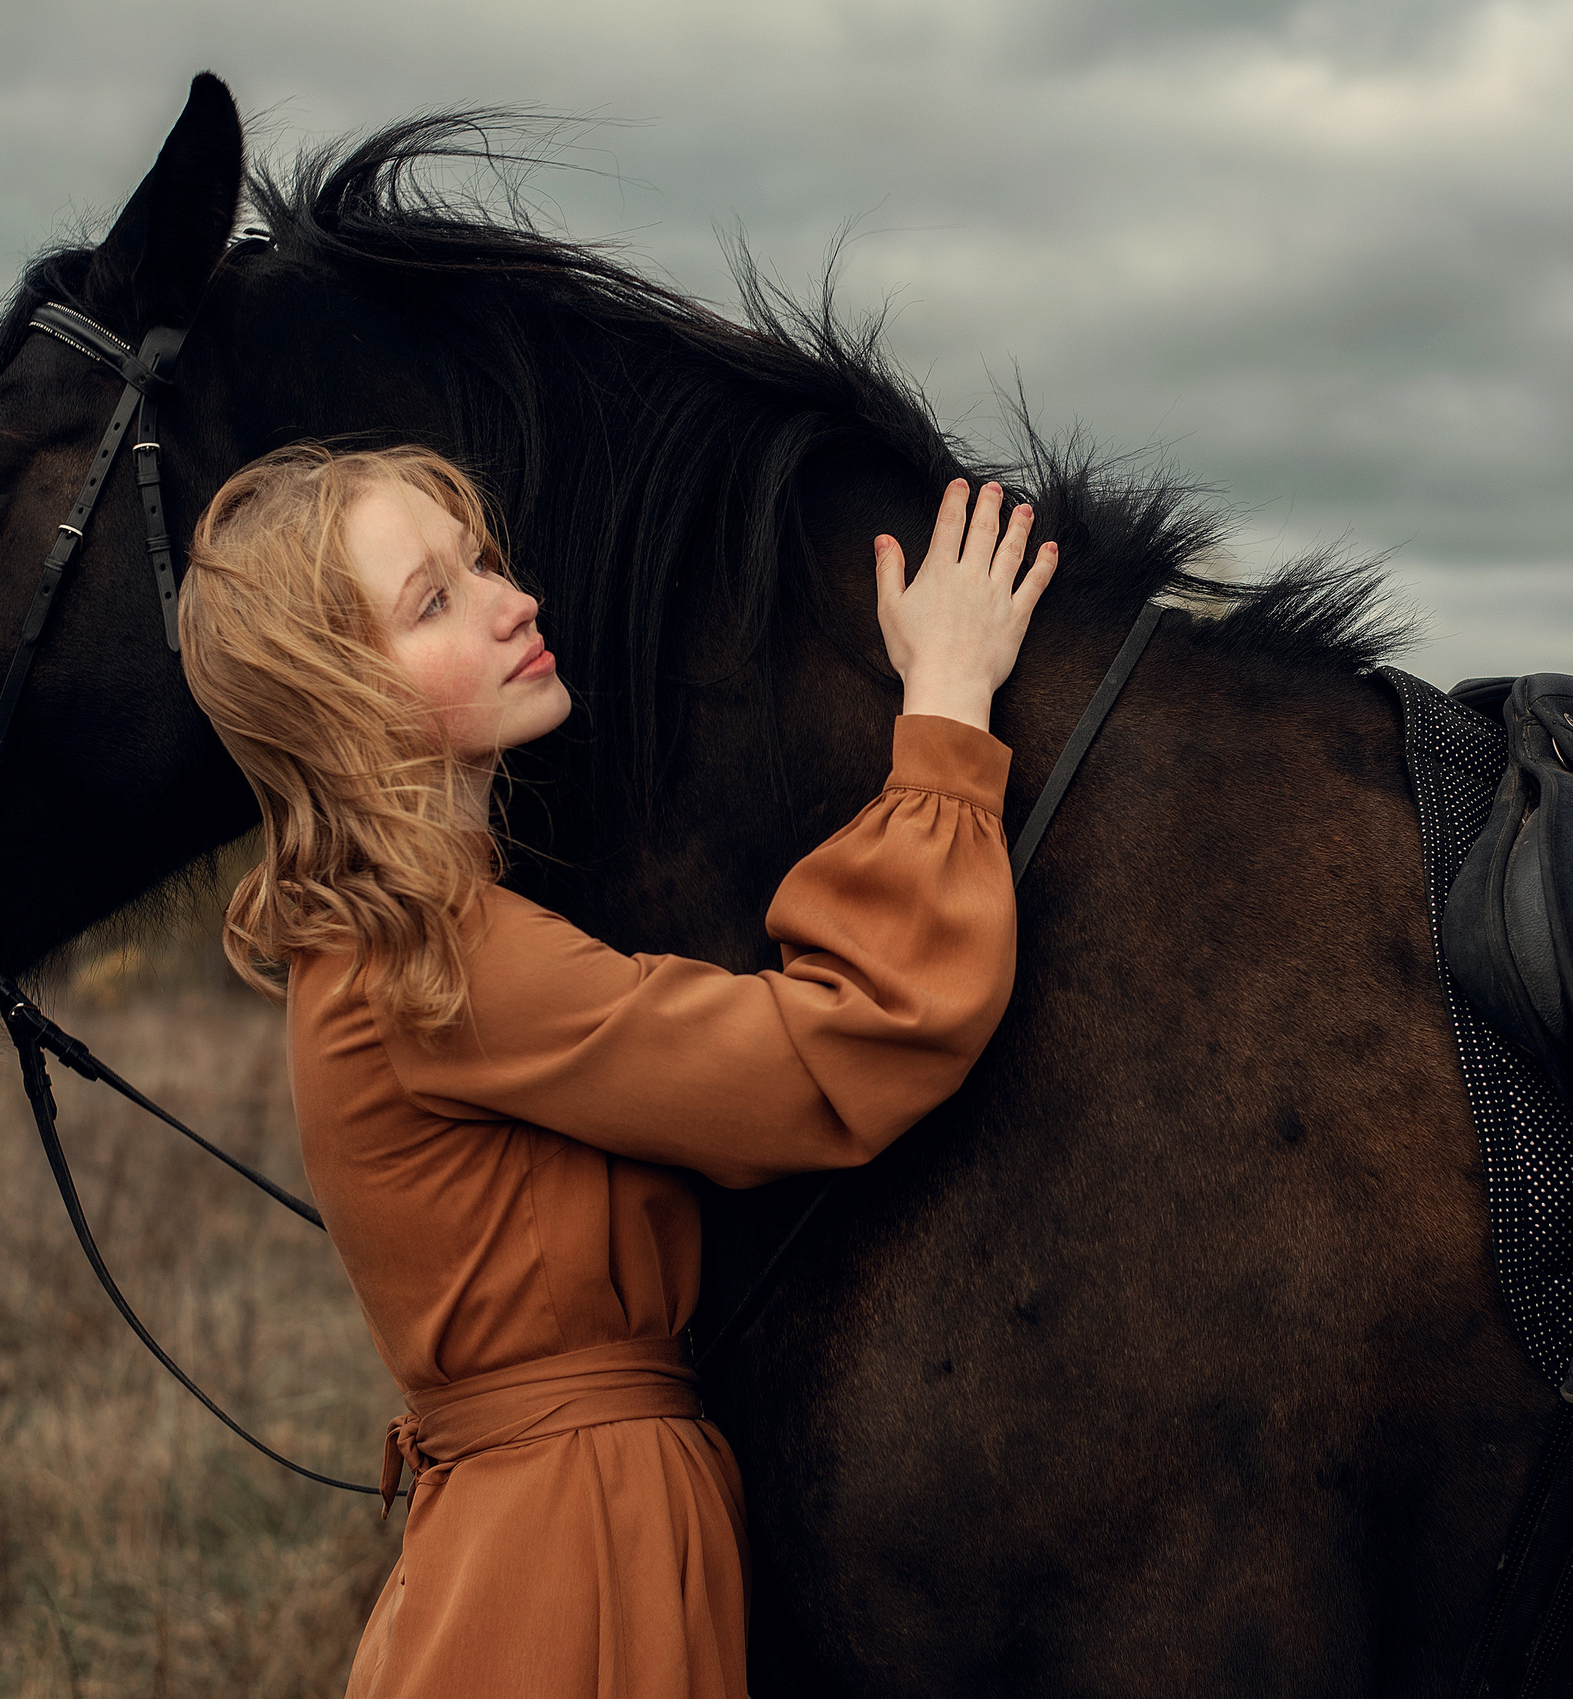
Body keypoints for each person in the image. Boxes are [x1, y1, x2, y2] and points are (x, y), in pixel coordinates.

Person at [176, 442, 1057, 1699]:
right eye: (433, 600)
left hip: (574, 1522)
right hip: (561, 1559)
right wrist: (949, 702)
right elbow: (845, 1041)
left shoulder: (417, 941)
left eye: (482, 561)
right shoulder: (432, 963)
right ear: (339, 704)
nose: (511, 598)